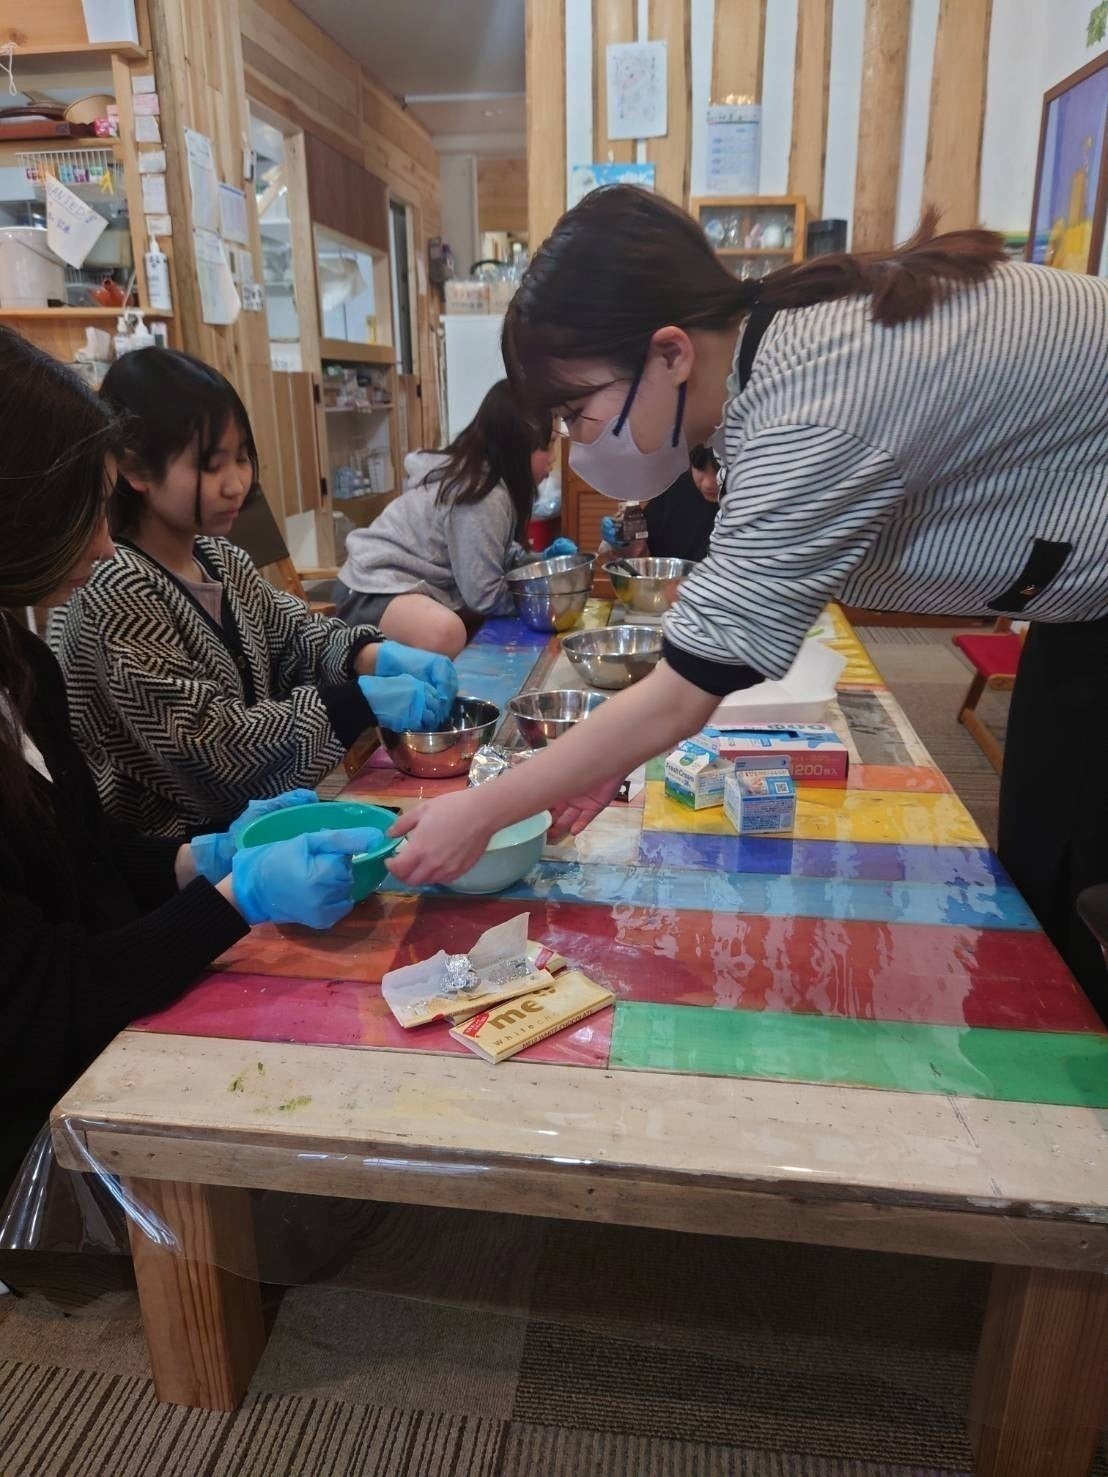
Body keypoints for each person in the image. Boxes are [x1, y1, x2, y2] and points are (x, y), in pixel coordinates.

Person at [387, 188, 1108, 1014]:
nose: (575, 442)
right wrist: (600, 761)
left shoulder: (813, 403)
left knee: (1082, 901)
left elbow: (687, 689)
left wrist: (482, 810)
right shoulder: (775, 357)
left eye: (576, 413)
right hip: (1079, 610)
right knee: (1046, 859)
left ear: (670, 353)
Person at [0, 328, 386, 1199]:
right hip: (47, 1106)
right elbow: (51, 995)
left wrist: (198, 860)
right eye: (81, 510)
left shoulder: (27, 662)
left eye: (244, 458)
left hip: (127, 957)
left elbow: (88, 857)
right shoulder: (114, 596)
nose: (101, 544)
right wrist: (235, 894)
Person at [49, 347, 457, 840]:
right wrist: (356, 702)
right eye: (211, 465)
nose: (236, 483)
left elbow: (298, 636)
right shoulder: (114, 589)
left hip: (255, 821)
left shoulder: (220, 559)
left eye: (242, 458)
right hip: (172, 857)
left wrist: (370, 656)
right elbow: (210, 748)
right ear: (134, 468)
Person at [336, 379, 576, 656]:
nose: (553, 459)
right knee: (447, 633)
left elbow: (490, 555)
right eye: (549, 445)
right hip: (370, 590)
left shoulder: (489, 483)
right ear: (519, 444)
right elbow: (484, 595)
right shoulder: (482, 494)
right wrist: (547, 599)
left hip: (401, 589)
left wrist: (534, 562)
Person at [600, 447, 720, 564]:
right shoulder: (676, 488)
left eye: (718, 471)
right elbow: (641, 555)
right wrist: (624, 541)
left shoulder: (730, 508)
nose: (708, 484)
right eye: (700, 468)